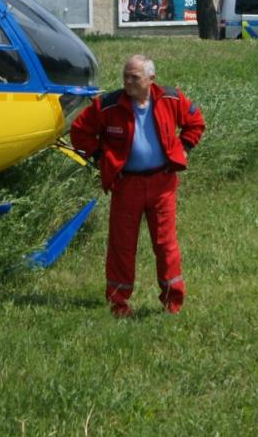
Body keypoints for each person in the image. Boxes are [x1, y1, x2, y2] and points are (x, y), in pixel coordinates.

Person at [70, 54, 205, 317]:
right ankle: (118, 304)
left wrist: (185, 148)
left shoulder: (171, 98)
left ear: (150, 79)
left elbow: (195, 123)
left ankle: (172, 303)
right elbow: (79, 131)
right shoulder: (108, 105)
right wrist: (101, 158)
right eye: (126, 77)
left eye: (135, 77)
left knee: (165, 244)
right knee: (121, 245)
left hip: (162, 184)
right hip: (126, 186)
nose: (128, 82)